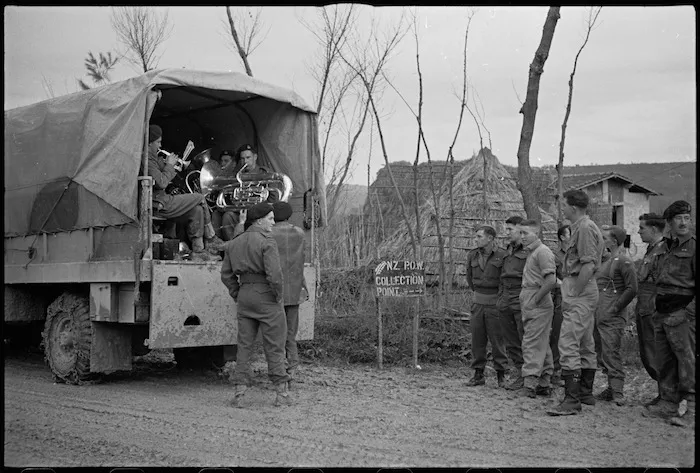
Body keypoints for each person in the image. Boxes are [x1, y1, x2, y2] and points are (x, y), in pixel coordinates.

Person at [220, 202, 292, 408]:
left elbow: (226, 274)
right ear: (259, 220)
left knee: (244, 346)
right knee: (275, 345)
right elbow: (275, 275)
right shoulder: (267, 241)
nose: (273, 222)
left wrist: (237, 293)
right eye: (270, 218)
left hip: (245, 295)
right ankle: (281, 394)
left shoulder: (235, 242)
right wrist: (277, 296)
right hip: (267, 296)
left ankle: (239, 393)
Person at [547, 189, 604, 416]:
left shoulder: (585, 228)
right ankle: (585, 393)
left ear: (573, 206)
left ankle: (572, 400)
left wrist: (575, 294)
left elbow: (588, 265)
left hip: (580, 287)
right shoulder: (581, 227)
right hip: (582, 287)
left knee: (568, 342)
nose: (562, 209)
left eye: (564, 205)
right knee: (585, 341)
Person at [645, 200, 695, 428]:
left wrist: (689, 313)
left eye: (687, 218)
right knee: (663, 359)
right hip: (662, 311)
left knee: (687, 360)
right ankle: (666, 401)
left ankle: (691, 407)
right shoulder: (663, 248)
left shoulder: (694, 247)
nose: (683, 222)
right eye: (678, 219)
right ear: (669, 223)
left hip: (682, 312)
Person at [147, 124, 224, 261]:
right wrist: (170, 165)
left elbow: (164, 176)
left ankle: (199, 252)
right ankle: (211, 237)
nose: (159, 146)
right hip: (159, 202)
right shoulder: (147, 160)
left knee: (197, 210)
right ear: (150, 142)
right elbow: (162, 182)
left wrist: (169, 165)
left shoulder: (153, 158)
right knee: (200, 198)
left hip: (162, 200)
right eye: (158, 142)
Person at [592, 225, 638, 406]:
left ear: (614, 241)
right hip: (600, 313)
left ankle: (617, 392)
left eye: (605, 238)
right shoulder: (607, 260)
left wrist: (615, 308)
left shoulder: (623, 260)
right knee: (602, 353)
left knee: (611, 352)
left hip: (612, 315)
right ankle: (611, 389)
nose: (602, 241)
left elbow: (632, 288)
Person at [516, 219, 558, 398]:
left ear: (537, 233)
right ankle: (544, 382)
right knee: (541, 341)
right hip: (531, 297)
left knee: (531, 342)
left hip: (537, 300)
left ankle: (530, 383)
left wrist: (535, 300)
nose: (522, 237)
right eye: (521, 233)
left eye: (526, 233)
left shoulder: (542, 252)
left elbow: (551, 281)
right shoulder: (532, 253)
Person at [270, 201, 308, 388]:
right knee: (290, 335)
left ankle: (279, 373)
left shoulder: (267, 233)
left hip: (273, 292)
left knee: (276, 335)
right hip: (294, 290)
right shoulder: (299, 233)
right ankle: (292, 368)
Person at [465, 225, 509, 388]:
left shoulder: (503, 255)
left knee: (498, 340)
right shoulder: (472, 255)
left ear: (490, 238)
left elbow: (504, 281)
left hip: (495, 304)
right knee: (477, 340)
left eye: (479, 236)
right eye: (475, 237)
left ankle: (501, 375)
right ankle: (478, 374)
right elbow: (470, 279)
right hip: (478, 302)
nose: (475, 239)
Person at [635, 213, 667, 402]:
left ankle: (667, 394)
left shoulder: (663, 251)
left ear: (654, 229)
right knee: (648, 352)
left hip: (653, 308)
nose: (638, 232)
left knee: (655, 352)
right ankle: (663, 393)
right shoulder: (651, 249)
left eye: (642, 228)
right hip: (644, 306)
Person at [497, 215, 528, 390]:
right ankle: (520, 372)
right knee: (510, 340)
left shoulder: (530, 250)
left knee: (525, 337)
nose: (506, 233)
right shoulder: (508, 249)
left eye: (510, 229)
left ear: (520, 229)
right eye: (506, 229)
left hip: (521, 295)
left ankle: (530, 375)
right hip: (505, 298)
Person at [220, 144, 269, 241]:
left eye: (248, 157)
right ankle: (233, 246)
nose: (245, 161)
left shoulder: (264, 173)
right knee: (227, 216)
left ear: (255, 157)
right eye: (242, 158)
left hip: (259, 214)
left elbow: (273, 198)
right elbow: (232, 198)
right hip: (241, 213)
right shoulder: (237, 175)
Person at [550, 225, 571, 387]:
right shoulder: (555, 256)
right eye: (570, 234)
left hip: (578, 300)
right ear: (562, 237)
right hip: (560, 300)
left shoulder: (577, 254)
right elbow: (551, 279)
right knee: (557, 336)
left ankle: (570, 371)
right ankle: (556, 371)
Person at [211, 149, 237, 239]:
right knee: (214, 215)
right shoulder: (219, 177)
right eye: (221, 161)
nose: (222, 164)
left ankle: (230, 247)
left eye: (226, 161)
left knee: (227, 216)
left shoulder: (238, 176)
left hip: (236, 211)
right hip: (222, 209)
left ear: (233, 164)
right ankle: (216, 247)